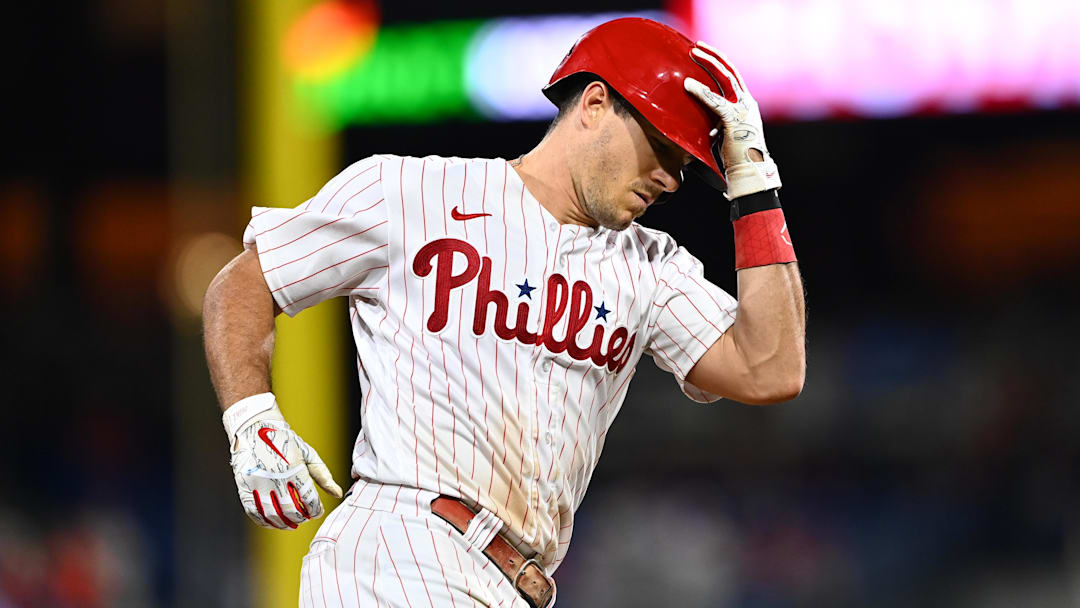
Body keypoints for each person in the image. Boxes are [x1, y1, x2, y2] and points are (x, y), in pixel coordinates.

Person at [203, 17, 805, 608]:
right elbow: (245, 283)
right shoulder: (412, 193)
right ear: (594, 104)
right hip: (400, 550)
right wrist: (251, 418)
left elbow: (770, 369)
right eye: (662, 148)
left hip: (517, 583)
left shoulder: (649, 266)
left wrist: (754, 181)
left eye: (682, 165)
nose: (669, 179)